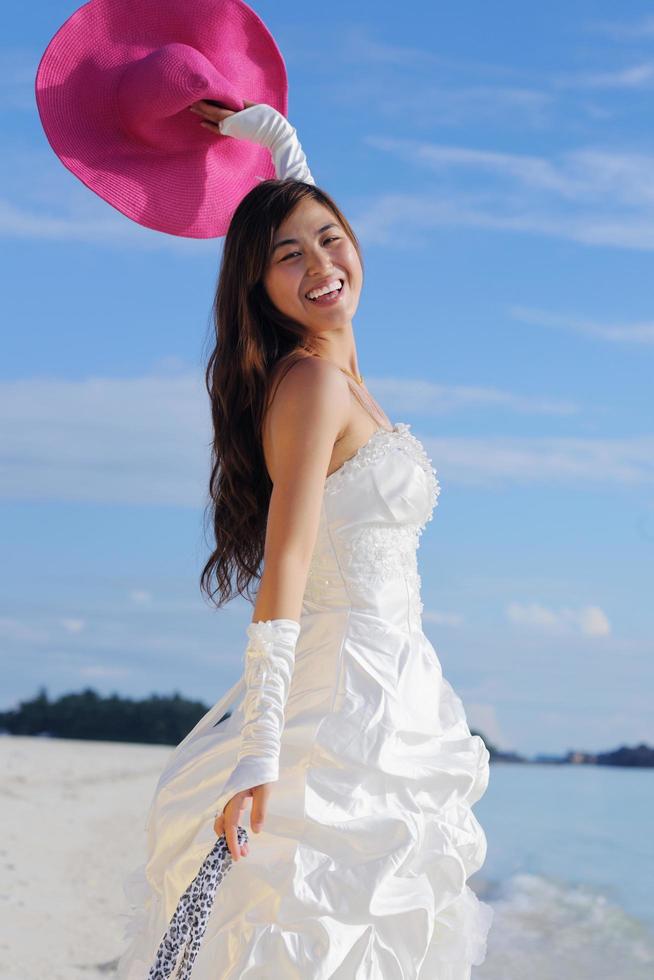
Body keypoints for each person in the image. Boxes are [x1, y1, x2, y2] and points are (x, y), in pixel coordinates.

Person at [117, 101, 493, 980]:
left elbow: (305, 203)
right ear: (260, 287)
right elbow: (283, 565)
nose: (321, 264)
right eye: (289, 256)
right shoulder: (315, 384)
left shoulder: (342, 370)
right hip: (345, 694)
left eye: (332, 239)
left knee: (384, 926)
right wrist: (259, 750)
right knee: (322, 928)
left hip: (400, 686)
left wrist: (264, 131)